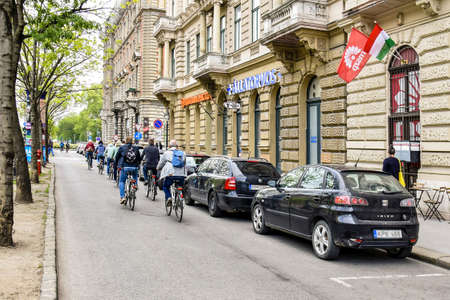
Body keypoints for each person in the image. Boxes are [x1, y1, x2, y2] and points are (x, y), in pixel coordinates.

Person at [157, 139, 186, 205]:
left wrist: (158, 168)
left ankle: (169, 197)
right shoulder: (183, 153)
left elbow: (161, 163)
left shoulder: (166, 153)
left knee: (165, 186)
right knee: (180, 186)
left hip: (171, 174)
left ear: (169, 146)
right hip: (181, 174)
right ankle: (180, 195)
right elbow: (184, 163)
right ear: (177, 146)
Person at [115, 136, 141, 204]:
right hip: (134, 167)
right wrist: (138, 165)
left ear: (126, 141)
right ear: (132, 141)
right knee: (135, 176)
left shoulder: (122, 147)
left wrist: (116, 164)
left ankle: (122, 197)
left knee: (122, 181)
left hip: (125, 167)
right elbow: (139, 158)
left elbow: (117, 157)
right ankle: (135, 185)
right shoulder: (136, 148)